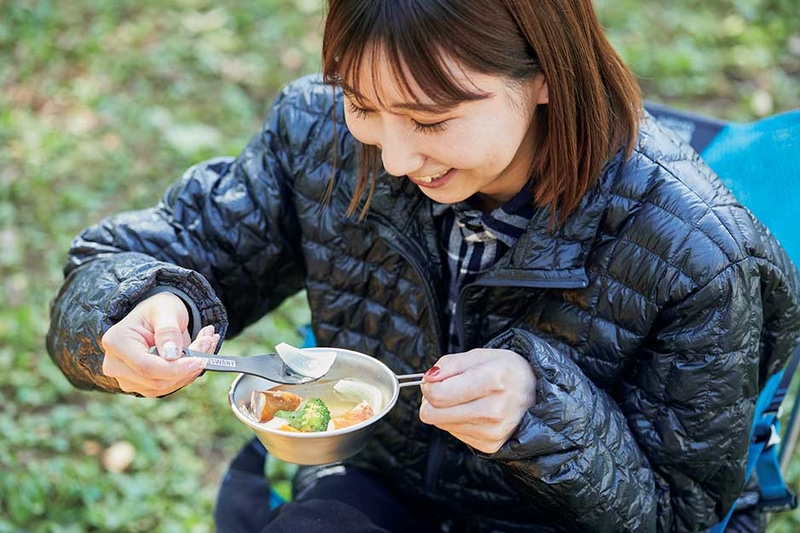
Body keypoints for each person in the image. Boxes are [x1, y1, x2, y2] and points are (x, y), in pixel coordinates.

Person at [46, 0, 800, 532]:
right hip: (371, 484)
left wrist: (544, 416)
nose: (396, 158)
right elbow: (133, 256)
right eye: (362, 103)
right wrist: (134, 306)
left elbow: (682, 514)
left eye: (433, 119)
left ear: (545, 75)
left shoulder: (698, 252)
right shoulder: (319, 139)